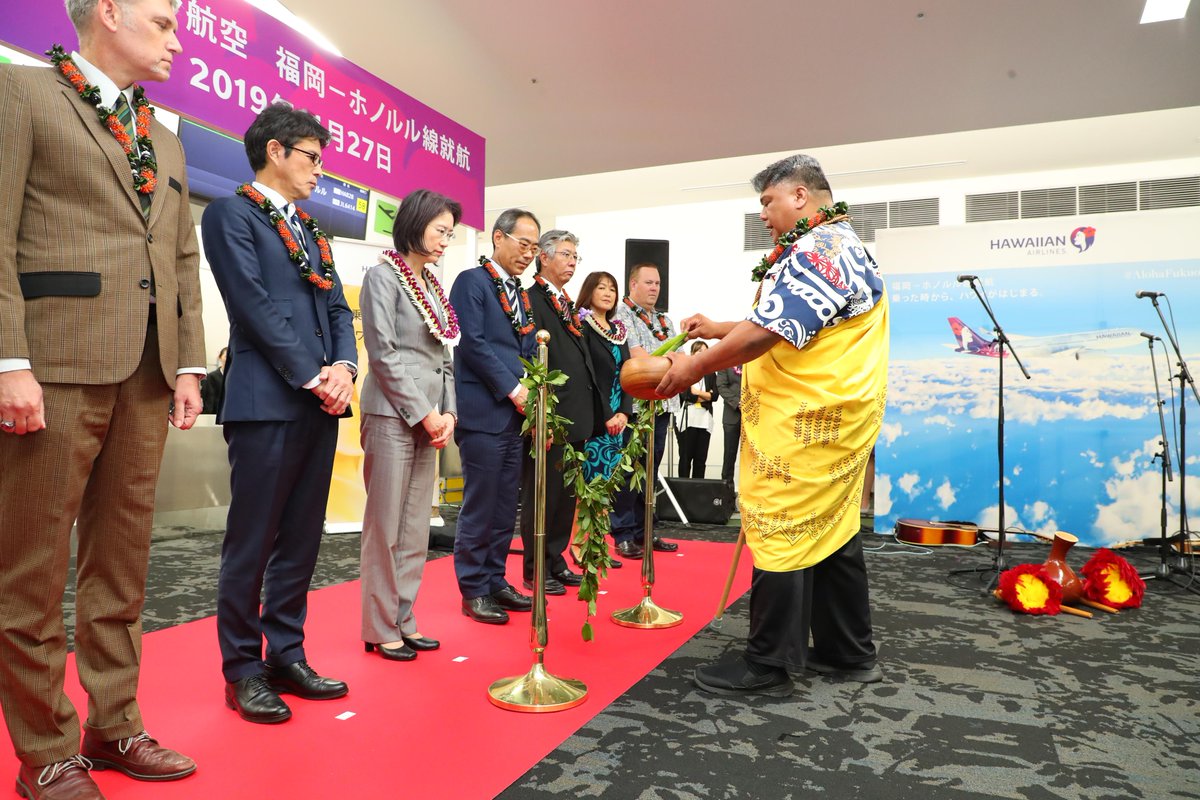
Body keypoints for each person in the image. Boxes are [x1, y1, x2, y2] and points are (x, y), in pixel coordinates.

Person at [0, 1, 204, 796]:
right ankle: (45, 749)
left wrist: (189, 364)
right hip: (51, 365)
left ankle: (115, 725)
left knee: (122, 563)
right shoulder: (23, 95)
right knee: (33, 568)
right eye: (162, 20)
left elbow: (182, 259)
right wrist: (8, 358)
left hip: (149, 372)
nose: (176, 39)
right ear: (109, 10)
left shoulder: (168, 137)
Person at [657, 154, 889, 697]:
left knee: (781, 528)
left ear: (802, 197)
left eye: (768, 201)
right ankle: (848, 652)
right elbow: (780, 321)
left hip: (807, 422)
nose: (763, 213)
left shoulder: (818, 251)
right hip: (835, 420)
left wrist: (693, 363)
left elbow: (769, 334)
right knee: (834, 532)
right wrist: (718, 328)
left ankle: (768, 663)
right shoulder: (839, 245)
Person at [202, 103, 357, 723]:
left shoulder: (314, 230)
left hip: (322, 402)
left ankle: (286, 652)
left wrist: (345, 369)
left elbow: (340, 311)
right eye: (312, 157)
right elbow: (253, 303)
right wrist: (316, 373)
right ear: (276, 152)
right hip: (267, 401)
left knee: (300, 538)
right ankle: (242, 668)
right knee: (253, 540)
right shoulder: (231, 213)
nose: (321, 170)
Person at [358, 189, 459, 661]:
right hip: (392, 415)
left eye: (450, 234)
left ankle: (405, 617)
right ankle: (379, 627)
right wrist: (425, 411)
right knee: (385, 525)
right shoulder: (382, 278)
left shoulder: (435, 286)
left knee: (417, 523)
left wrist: (450, 413)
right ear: (415, 223)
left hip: (433, 420)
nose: (445, 241)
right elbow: (383, 354)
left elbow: (446, 361)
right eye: (441, 230)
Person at [449, 209, 539, 624]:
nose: (529, 254)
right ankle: (472, 588)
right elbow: (473, 344)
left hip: (516, 414)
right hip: (485, 409)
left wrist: (535, 394)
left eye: (535, 248)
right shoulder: (472, 282)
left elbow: (524, 351)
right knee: (481, 504)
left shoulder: (519, 292)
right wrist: (514, 388)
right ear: (498, 238)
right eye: (523, 244)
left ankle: (495, 579)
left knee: (506, 505)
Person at [518, 231, 603, 594]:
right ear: (544, 257)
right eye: (566, 255)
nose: (572, 262)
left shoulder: (567, 302)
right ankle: (535, 568)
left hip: (577, 414)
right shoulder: (531, 299)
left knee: (567, 497)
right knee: (544, 495)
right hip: (553, 415)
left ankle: (556, 558)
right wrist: (541, 414)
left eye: (575, 256)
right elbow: (533, 361)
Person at [610, 263, 680, 558]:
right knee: (628, 473)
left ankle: (645, 531)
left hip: (662, 406)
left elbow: (682, 359)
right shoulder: (621, 315)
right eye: (648, 283)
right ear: (633, 284)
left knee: (650, 473)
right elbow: (637, 357)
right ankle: (623, 534)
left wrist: (668, 361)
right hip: (635, 407)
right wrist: (669, 361)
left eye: (658, 283)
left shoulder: (665, 319)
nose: (654, 288)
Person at [575, 270, 631, 569]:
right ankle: (581, 543)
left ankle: (598, 543)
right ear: (589, 291)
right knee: (589, 484)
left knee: (608, 485)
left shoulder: (619, 330)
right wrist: (607, 415)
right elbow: (589, 376)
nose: (608, 293)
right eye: (601, 287)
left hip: (618, 419)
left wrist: (623, 410)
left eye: (612, 288)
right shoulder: (581, 326)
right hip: (595, 417)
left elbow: (628, 374)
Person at [674, 341, 716, 479]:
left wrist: (699, 392)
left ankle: (698, 492)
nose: (703, 354)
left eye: (705, 351)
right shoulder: (686, 371)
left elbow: (715, 396)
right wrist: (706, 395)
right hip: (687, 419)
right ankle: (681, 492)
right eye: (699, 351)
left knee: (700, 460)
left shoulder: (710, 374)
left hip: (705, 420)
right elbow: (688, 395)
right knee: (686, 458)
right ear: (692, 354)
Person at [715, 365, 742, 486]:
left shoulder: (753, 360)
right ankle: (727, 492)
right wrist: (738, 402)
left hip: (755, 415)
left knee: (753, 458)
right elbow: (721, 386)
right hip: (732, 415)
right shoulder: (726, 363)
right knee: (729, 457)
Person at [201, 346, 227, 415]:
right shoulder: (211, 377)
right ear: (220, 357)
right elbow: (209, 399)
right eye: (226, 356)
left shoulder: (235, 378)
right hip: (215, 415)